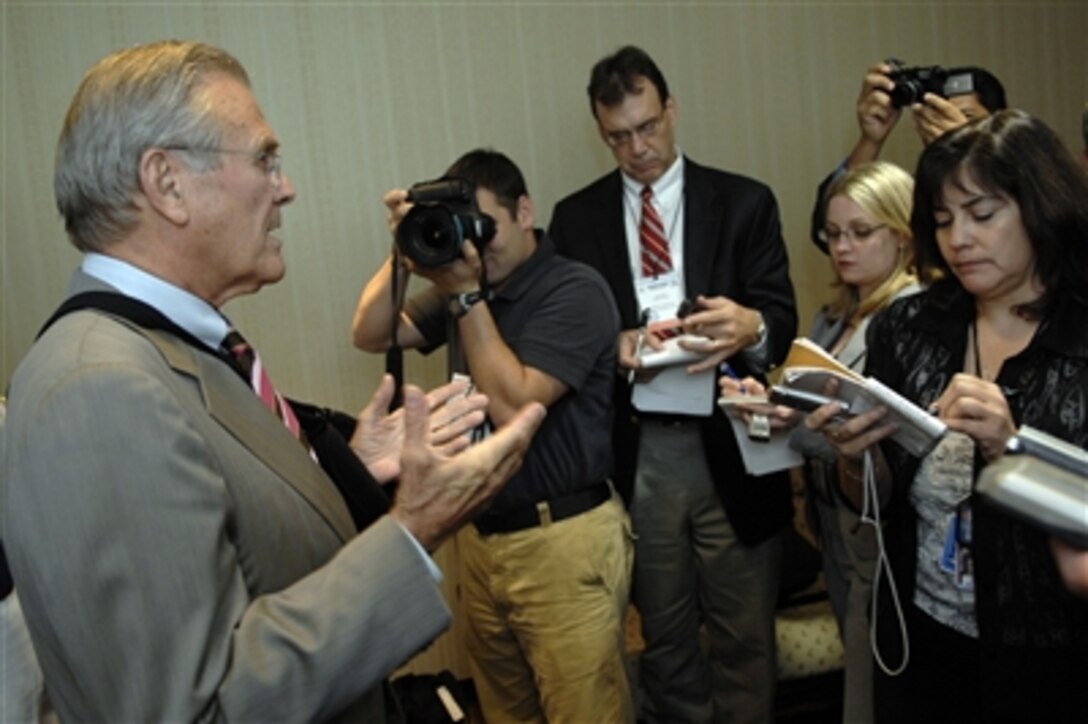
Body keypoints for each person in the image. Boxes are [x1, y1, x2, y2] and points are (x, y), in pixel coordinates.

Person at [0, 40, 545, 723]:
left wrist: (342, 468)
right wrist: (415, 529)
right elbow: (196, 708)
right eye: (263, 159)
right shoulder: (98, 390)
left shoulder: (178, 352)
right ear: (167, 184)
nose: (284, 187)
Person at [806, 109, 1088, 723]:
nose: (958, 238)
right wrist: (856, 458)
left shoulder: (1077, 339)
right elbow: (882, 499)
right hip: (923, 635)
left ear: (1039, 207)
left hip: (1048, 657)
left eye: (982, 215)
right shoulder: (910, 329)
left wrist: (1011, 451)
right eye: (942, 220)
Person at [549, 45, 798, 723]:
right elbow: (566, 340)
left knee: (746, 631)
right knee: (664, 635)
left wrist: (751, 326)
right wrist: (615, 345)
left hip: (734, 439)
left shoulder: (743, 201)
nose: (638, 149)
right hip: (641, 447)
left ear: (672, 109)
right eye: (619, 137)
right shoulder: (577, 219)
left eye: (649, 127)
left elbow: (780, 316)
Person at [352, 149, 634, 722]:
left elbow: (514, 404)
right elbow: (370, 330)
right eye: (465, 233)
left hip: (564, 540)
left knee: (585, 712)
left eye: (486, 229)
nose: (476, 249)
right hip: (481, 540)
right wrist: (405, 249)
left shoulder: (574, 288)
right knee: (506, 713)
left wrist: (464, 293)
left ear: (524, 210)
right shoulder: (471, 285)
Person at [722, 161, 919, 723]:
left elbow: (896, 442)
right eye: (833, 234)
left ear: (902, 235)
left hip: (882, 529)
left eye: (861, 232)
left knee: (877, 686)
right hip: (833, 524)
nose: (842, 248)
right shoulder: (834, 318)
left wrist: (800, 424)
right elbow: (807, 411)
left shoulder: (911, 315)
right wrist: (767, 403)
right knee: (860, 673)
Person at [811, 61, 1006, 254]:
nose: (950, 125)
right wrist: (870, 140)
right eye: (939, 114)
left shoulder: (1017, 181)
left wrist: (965, 151)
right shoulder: (915, 194)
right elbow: (834, 233)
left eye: (967, 118)